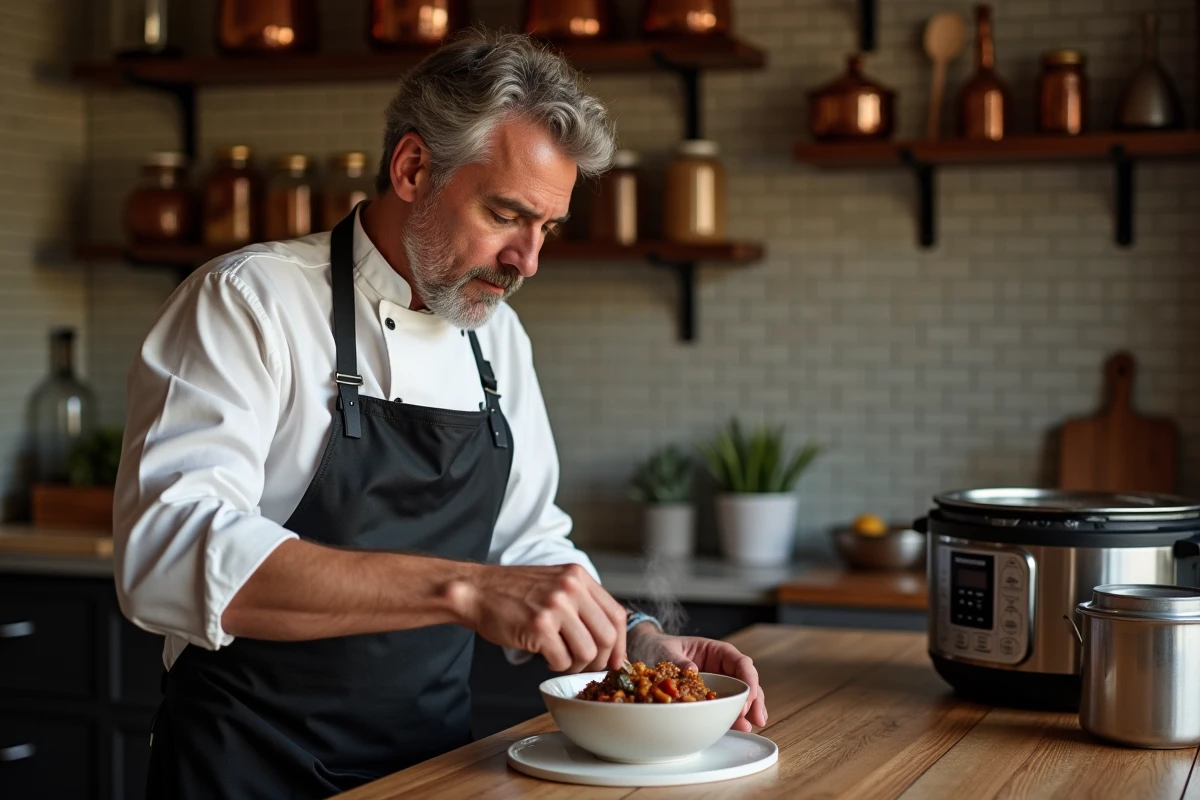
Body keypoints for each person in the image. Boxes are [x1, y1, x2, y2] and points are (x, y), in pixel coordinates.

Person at [113, 29, 767, 799]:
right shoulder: (249, 304)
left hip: (427, 773)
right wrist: (463, 590)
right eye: (506, 214)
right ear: (414, 168)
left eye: (546, 228)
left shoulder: (497, 339)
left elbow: (527, 543)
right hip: (243, 770)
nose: (528, 261)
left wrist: (636, 640)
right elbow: (166, 552)